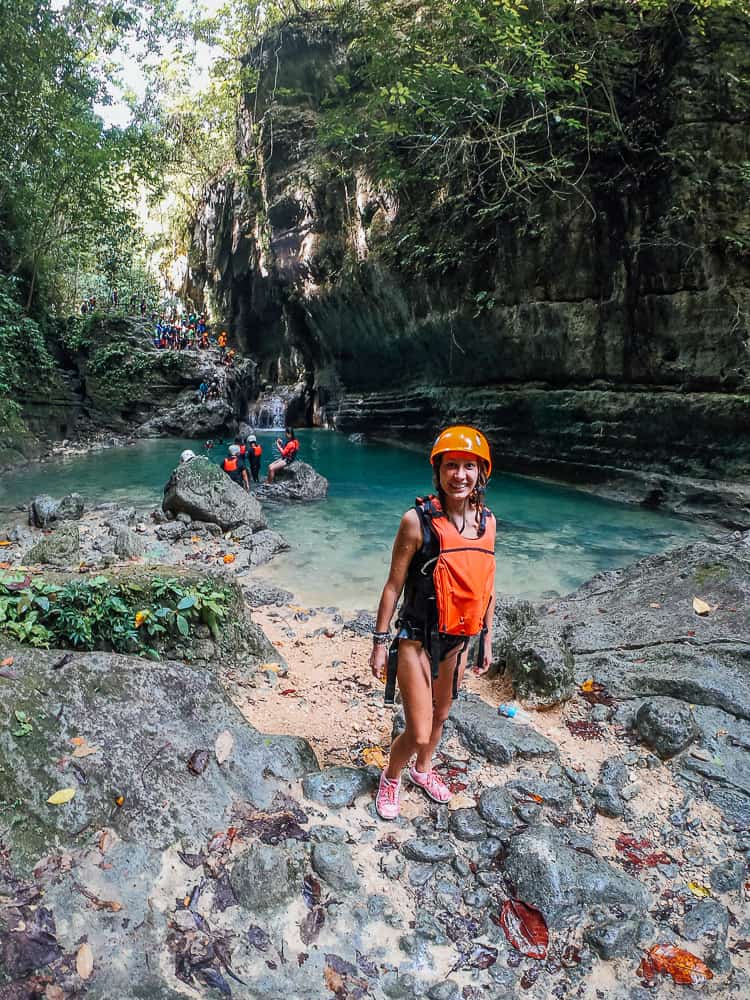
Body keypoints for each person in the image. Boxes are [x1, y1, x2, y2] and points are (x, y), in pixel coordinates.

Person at [369, 426, 496, 820]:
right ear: (438, 470)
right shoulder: (416, 521)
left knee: (442, 716)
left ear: (481, 473)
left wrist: (486, 638)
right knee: (420, 729)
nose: (460, 475)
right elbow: (393, 585)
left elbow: (486, 584)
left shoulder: (487, 522)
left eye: (469, 467)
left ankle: (423, 770)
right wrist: (378, 641)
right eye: (451, 466)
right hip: (415, 639)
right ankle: (392, 775)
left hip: (458, 639)